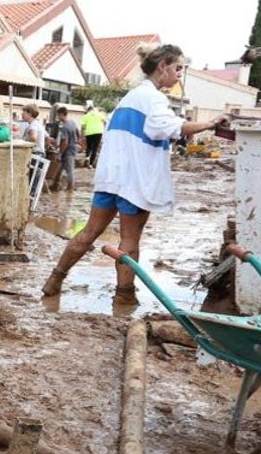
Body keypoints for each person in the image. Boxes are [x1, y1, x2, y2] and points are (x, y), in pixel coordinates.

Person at [40, 45, 229, 305]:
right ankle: (124, 296)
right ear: (162, 66)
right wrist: (211, 123)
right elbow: (169, 127)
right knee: (129, 240)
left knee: (89, 232)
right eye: (178, 69)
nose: (178, 76)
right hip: (134, 180)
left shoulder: (128, 98)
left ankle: (54, 281)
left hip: (110, 178)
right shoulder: (154, 99)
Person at [49, 105, 82, 192]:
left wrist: (60, 153)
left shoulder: (65, 127)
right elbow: (78, 133)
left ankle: (70, 188)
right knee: (59, 168)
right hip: (72, 148)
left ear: (62, 114)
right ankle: (56, 184)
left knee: (69, 170)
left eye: (58, 115)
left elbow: (65, 142)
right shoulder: (72, 123)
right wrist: (77, 142)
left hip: (68, 151)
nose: (57, 117)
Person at [80, 102, 105, 167]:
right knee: (95, 148)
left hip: (89, 132)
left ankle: (87, 157)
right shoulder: (99, 114)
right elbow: (105, 121)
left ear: (88, 110)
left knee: (89, 147)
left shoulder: (85, 116)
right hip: (98, 132)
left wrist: (82, 135)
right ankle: (91, 164)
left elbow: (83, 127)